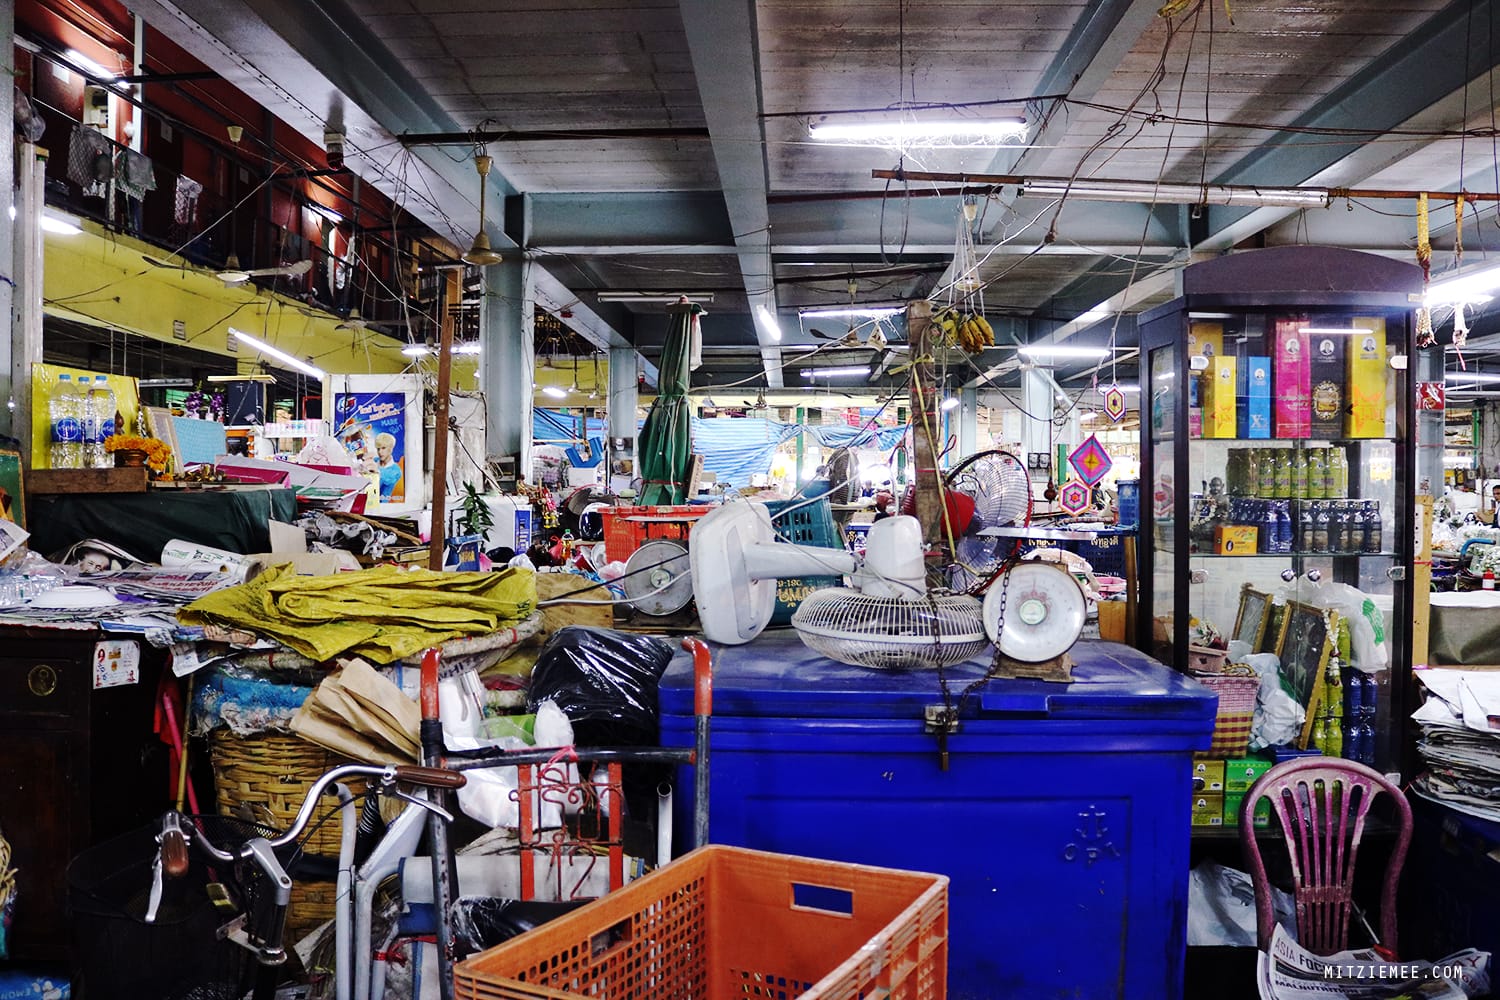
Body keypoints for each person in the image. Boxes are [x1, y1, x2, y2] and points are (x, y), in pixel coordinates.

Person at [375, 432, 403, 501]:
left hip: (383, 506)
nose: (380, 452)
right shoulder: (374, 460)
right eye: (378, 449)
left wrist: (373, 469)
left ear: (390, 449)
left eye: (383, 448)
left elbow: (380, 481)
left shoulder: (396, 471)